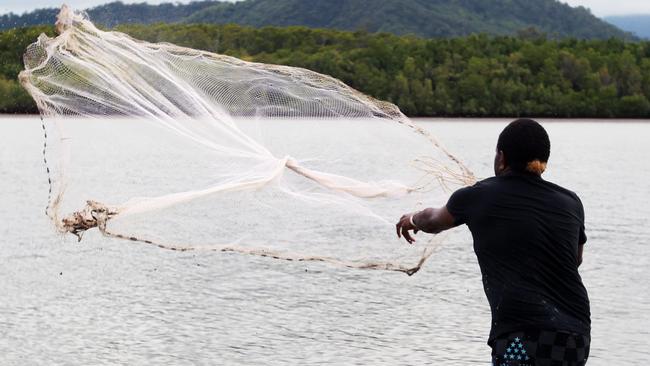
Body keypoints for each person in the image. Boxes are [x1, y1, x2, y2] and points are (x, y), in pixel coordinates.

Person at [396, 119, 590, 366]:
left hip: (521, 335)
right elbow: (575, 259)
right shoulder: (571, 202)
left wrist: (410, 219)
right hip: (576, 338)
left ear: (501, 157)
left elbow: (433, 220)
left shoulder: (478, 196)